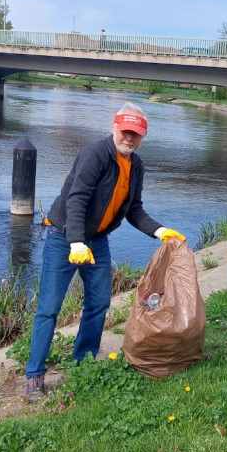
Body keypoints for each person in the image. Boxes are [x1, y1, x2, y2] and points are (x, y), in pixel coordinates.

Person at [25, 102, 186, 401]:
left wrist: (159, 230)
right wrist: (75, 242)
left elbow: (134, 209)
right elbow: (76, 200)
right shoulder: (94, 155)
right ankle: (35, 376)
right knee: (49, 308)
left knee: (98, 303)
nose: (129, 138)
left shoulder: (136, 166)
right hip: (65, 238)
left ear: (143, 136)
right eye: (125, 131)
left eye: (136, 134)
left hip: (97, 241)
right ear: (114, 128)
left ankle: (83, 362)